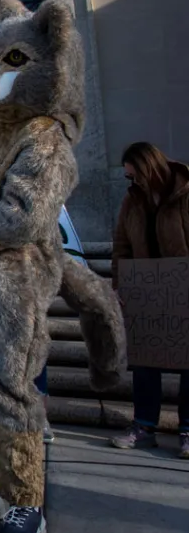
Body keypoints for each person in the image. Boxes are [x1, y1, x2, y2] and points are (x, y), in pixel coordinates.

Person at [108, 142, 189, 459]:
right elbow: (121, 243)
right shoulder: (133, 201)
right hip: (147, 290)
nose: (132, 182)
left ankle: (187, 430)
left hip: (181, 287)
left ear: (150, 168)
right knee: (144, 362)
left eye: (135, 175)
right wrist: (120, 283)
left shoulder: (184, 193)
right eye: (128, 178)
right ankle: (143, 426)